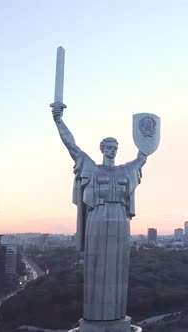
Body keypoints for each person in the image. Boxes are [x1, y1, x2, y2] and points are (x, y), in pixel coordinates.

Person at [51, 102, 146, 321]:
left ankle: (116, 316)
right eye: (109, 147)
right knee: (95, 263)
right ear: (102, 149)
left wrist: (146, 138)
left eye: (115, 148)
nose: (112, 151)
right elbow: (71, 145)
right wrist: (59, 120)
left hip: (120, 219)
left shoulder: (127, 170)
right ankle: (94, 316)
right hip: (97, 217)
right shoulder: (91, 167)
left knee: (119, 264)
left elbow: (143, 155)